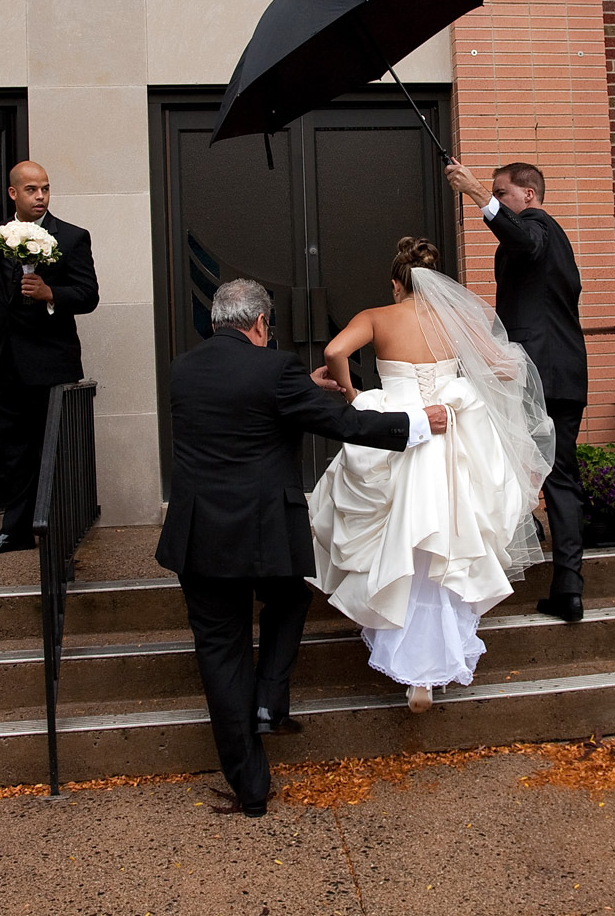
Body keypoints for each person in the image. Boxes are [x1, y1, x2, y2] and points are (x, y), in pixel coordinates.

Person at [156, 277, 448, 817]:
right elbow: (340, 421)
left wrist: (302, 387)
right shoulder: (275, 369)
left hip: (200, 536)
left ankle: (250, 788)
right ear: (261, 323)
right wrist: (414, 424)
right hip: (265, 531)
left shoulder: (183, 368)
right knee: (289, 598)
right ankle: (269, 699)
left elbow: (248, 407)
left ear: (220, 320)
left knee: (220, 653)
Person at [308, 237, 552, 712]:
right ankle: (435, 665)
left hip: (396, 429)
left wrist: (352, 393)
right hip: (449, 429)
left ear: (396, 283)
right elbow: (504, 366)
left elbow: (335, 348)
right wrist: (464, 385)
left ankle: (409, 662)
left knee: (398, 538)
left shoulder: (377, 316)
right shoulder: (456, 319)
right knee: (451, 539)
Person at [444, 160, 590, 622]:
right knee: (535, 464)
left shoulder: (537, 226)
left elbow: (523, 240)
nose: (499, 198)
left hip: (539, 375)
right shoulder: (550, 243)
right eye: (494, 193)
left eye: (502, 193)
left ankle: (560, 577)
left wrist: (474, 194)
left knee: (543, 469)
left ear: (528, 194)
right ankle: (560, 575)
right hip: (563, 372)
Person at [0, 161, 100, 557]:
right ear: (14, 193)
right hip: (6, 363)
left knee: (50, 454)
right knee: (15, 451)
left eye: (45, 188)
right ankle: (15, 532)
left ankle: (56, 532)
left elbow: (88, 294)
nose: (41, 196)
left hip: (50, 364)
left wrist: (51, 293)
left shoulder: (72, 237)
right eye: (31, 189)